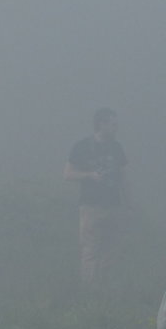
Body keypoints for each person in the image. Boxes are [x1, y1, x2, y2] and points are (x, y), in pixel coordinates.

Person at [64, 108, 129, 286]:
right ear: (101, 124)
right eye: (113, 124)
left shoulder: (117, 147)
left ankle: (105, 286)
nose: (116, 128)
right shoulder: (82, 146)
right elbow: (67, 174)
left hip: (114, 205)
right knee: (90, 248)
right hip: (90, 206)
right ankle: (89, 289)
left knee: (111, 248)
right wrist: (89, 175)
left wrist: (128, 204)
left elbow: (124, 177)